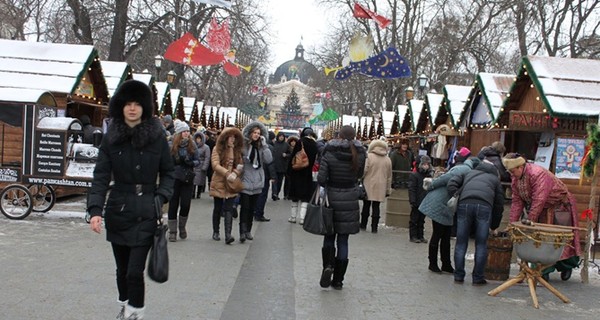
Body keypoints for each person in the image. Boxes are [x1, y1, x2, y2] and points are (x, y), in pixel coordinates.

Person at [87, 79, 175, 320]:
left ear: (145, 107)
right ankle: (126, 305)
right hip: (118, 209)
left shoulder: (157, 137)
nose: (133, 108)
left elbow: (169, 171)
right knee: (122, 270)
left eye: (137, 103)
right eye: (128, 103)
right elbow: (101, 176)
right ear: (121, 107)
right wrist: (95, 210)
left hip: (147, 209)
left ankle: (135, 314)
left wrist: (161, 196)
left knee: (134, 272)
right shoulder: (111, 138)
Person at [502, 153, 581, 281]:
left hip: (559, 207)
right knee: (541, 240)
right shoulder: (516, 179)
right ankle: (544, 271)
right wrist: (512, 223)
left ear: (520, 167)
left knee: (561, 239)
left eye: (512, 171)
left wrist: (530, 219)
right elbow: (517, 201)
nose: (511, 174)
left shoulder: (537, 174)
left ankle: (567, 266)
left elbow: (539, 198)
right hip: (542, 209)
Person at [317, 125, 366, 290]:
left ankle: (328, 266)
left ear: (339, 135)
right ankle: (338, 280)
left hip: (331, 198)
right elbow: (359, 176)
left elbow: (322, 178)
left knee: (329, 236)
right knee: (343, 240)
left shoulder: (329, 152)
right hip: (350, 198)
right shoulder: (359, 154)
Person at [447, 160, 505, 285]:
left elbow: (451, 183)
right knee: (481, 243)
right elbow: (499, 204)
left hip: (465, 204)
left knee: (461, 242)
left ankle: (458, 276)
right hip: (484, 206)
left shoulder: (468, 173)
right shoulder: (494, 180)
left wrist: (457, 195)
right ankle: (478, 277)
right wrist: (494, 225)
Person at [419, 156, 480, 274]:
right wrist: (431, 185)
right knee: (438, 234)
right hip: (440, 203)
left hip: (444, 204)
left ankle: (446, 264)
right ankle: (433, 263)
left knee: (446, 235)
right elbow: (444, 178)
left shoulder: (464, 169)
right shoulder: (464, 170)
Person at [239, 121, 272, 242]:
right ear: (250, 133)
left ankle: (248, 230)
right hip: (246, 178)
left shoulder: (261, 147)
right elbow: (241, 158)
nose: (256, 135)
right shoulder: (244, 145)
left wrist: (264, 146)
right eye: (254, 132)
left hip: (257, 180)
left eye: (259, 133)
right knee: (245, 207)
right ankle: (242, 231)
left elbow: (268, 160)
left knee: (252, 208)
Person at [209, 127, 244, 244]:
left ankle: (228, 234)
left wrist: (235, 173)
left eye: (234, 137)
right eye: (230, 137)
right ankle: (216, 231)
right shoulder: (217, 148)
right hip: (219, 181)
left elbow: (240, 164)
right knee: (218, 208)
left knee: (229, 208)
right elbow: (215, 164)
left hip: (231, 183)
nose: (232, 139)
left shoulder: (236, 150)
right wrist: (226, 173)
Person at [166, 121, 200, 242]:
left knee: (185, 204)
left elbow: (198, 160)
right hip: (175, 177)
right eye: (184, 131)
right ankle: (173, 231)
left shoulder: (192, 145)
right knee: (173, 204)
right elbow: (166, 161)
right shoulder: (171, 144)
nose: (186, 133)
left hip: (187, 178)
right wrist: (174, 163)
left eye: (187, 131)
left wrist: (191, 163)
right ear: (179, 133)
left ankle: (182, 226)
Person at [360, 139, 392, 233]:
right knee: (376, 206)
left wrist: (360, 178)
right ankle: (374, 228)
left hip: (368, 184)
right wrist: (387, 189)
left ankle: (363, 224)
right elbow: (389, 176)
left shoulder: (369, 157)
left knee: (366, 205)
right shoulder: (387, 159)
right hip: (381, 186)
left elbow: (364, 170)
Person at [287, 128, 319, 224]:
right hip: (308, 174)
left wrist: (289, 171)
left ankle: (293, 217)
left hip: (297, 172)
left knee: (295, 196)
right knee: (305, 196)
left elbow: (293, 157)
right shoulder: (315, 144)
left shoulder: (300, 142)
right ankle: (302, 218)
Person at [408, 155, 433, 242]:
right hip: (417, 200)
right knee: (414, 219)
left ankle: (420, 235)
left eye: (427, 164)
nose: (426, 166)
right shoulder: (414, 175)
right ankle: (413, 236)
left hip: (425, 200)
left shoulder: (429, 176)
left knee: (422, 220)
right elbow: (412, 189)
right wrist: (412, 200)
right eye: (424, 164)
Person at [271, 131, 290, 201]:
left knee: (280, 182)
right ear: (278, 137)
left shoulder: (286, 145)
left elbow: (290, 154)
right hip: (274, 165)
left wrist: (286, 155)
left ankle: (277, 193)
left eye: (282, 136)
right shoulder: (274, 144)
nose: (281, 137)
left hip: (282, 166)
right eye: (280, 136)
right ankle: (274, 194)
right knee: (274, 181)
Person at [192, 131, 211, 199]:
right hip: (194, 164)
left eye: (199, 138)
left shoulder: (206, 147)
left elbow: (207, 157)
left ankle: (199, 193)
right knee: (193, 180)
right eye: (197, 138)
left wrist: (205, 166)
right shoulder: (193, 146)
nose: (198, 140)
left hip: (201, 164)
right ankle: (193, 193)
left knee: (200, 180)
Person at [283, 135, 299, 199]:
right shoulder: (287, 148)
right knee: (287, 181)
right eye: (292, 141)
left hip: (295, 166)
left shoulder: (298, 149)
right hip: (288, 167)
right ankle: (286, 194)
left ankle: (292, 194)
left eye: (294, 141)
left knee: (293, 181)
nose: (293, 143)